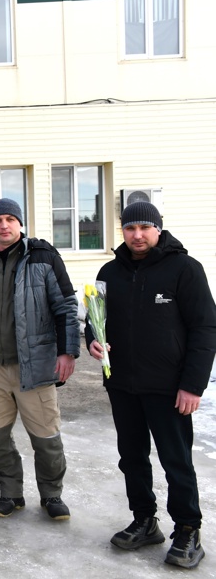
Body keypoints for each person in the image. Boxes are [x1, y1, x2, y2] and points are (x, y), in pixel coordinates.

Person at [88, 201, 216, 569]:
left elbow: (205, 329)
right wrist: (92, 341)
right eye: (130, 228)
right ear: (123, 232)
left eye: (145, 227)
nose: (137, 235)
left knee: (176, 461)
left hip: (169, 388)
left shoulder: (185, 270)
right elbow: (96, 322)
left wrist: (193, 386)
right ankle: (145, 520)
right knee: (132, 459)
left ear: (158, 229)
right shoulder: (109, 272)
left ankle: (188, 528)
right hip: (123, 385)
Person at [0, 198, 80, 521]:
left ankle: (52, 495)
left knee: (46, 437)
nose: (4, 225)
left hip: (35, 366)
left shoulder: (43, 257)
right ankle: (10, 493)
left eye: (10, 219)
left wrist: (67, 351)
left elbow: (66, 305)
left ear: (20, 223)